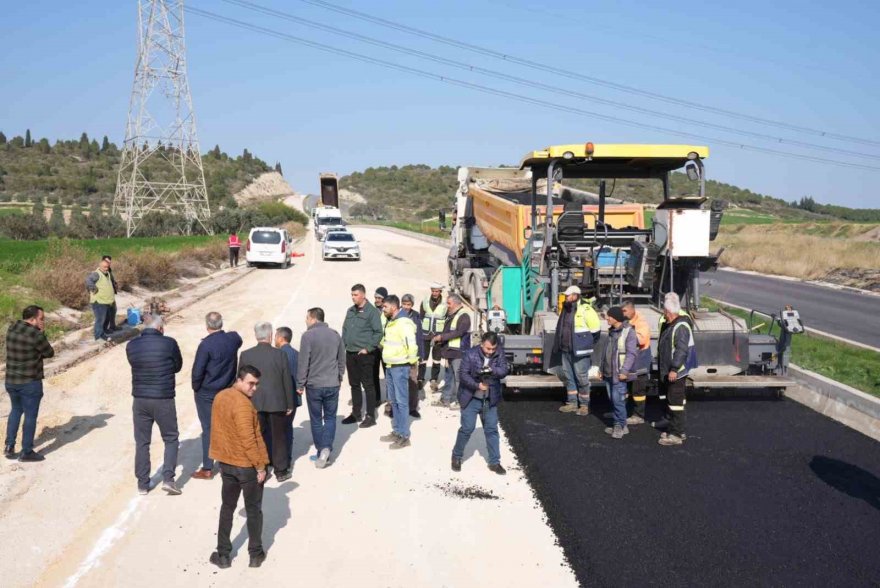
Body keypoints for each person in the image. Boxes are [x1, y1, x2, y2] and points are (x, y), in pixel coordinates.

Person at [208, 365, 270, 570]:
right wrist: (260, 467)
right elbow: (249, 440)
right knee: (253, 510)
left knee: (227, 508)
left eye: (257, 384)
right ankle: (255, 554)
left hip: (226, 464)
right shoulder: (243, 405)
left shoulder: (220, 396)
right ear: (240, 380)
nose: (254, 388)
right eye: (251, 383)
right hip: (246, 467)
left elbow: (218, 430)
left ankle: (223, 555)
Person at [126, 315, 183, 495]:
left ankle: (143, 484)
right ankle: (168, 479)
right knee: (171, 438)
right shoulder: (169, 343)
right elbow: (177, 366)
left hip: (140, 399)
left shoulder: (132, 345)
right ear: (160, 328)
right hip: (163, 397)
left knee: (142, 442)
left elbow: (134, 364)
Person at [191, 312, 243, 480]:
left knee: (208, 428)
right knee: (226, 425)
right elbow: (238, 338)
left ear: (207, 326)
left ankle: (207, 468)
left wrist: (196, 388)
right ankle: (226, 463)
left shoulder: (206, 345)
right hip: (227, 389)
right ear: (221, 324)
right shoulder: (233, 339)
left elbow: (197, 371)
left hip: (207, 392)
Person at [240, 322, 294, 482]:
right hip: (277, 401)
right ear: (270, 336)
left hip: (254, 401)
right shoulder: (280, 354)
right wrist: (289, 403)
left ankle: (261, 467)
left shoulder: (246, 355)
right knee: (279, 436)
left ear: (256, 335)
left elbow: (241, 380)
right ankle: (281, 470)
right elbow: (286, 379)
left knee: (257, 436)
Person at [452, 332, 509, 474]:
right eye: (487, 349)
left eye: (493, 349)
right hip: (471, 398)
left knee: (491, 430)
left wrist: (492, 370)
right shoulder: (470, 354)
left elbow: (504, 370)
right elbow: (462, 375)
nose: (490, 352)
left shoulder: (499, 353)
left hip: (490, 399)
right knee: (467, 428)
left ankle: (494, 462)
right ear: (482, 344)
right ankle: (456, 456)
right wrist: (477, 385)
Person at [296, 308, 346, 469]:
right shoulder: (335, 334)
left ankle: (321, 451)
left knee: (316, 419)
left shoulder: (307, 336)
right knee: (330, 418)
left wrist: (300, 384)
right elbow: (341, 359)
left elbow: (303, 362)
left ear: (313, 319)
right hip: (332, 383)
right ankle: (326, 449)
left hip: (314, 385)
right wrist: (339, 376)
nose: (305, 321)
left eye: (307, 318)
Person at [4, 305, 55, 462]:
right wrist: (42, 333)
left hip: (11, 380)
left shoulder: (12, 328)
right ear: (33, 319)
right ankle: (26, 452)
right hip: (30, 382)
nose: (43, 322)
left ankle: (9, 446)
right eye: (41, 319)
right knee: (30, 416)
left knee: (15, 411)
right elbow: (49, 352)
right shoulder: (36, 335)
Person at [378, 295, 419, 449]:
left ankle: (404, 436)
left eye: (385, 307)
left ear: (394, 307)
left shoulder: (404, 323)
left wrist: (409, 362)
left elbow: (411, 344)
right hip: (390, 366)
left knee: (401, 402)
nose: (383, 309)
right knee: (393, 400)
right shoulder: (392, 322)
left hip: (400, 367)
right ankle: (397, 430)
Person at [553, 285, 601, 415]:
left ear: (575, 295)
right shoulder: (566, 308)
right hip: (566, 349)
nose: (566, 297)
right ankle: (572, 403)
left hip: (580, 351)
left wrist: (585, 345)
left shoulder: (586, 309)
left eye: (568, 295)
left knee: (581, 377)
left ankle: (584, 405)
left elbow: (596, 332)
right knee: (569, 377)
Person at [657, 293, 697, 447]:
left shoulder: (680, 326)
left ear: (670, 312)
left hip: (677, 372)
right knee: (674, 401)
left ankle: (676, 434)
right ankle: (675, 429)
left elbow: (681, 351)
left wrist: (674, 369)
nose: (663, 315)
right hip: (674, 370)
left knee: (676, 402)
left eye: (665, 312)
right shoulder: (675, 324)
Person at [341, 283, 383, 428]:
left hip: (365, 354)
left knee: (368, 385)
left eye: (355, 295)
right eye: (352, 295)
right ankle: (356, 413)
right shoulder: (350, 311)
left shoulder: (372, 312)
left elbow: (379, 332)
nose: (353, 297)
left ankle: (370, 416)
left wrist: (368, 348)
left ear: (363, 295)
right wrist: (344, 344)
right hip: (351, 353)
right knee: (354, 385)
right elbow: (345, 329)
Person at [600, 307, 639, 439]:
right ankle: (623, 425)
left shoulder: (629, 332)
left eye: (609, 316)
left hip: (619, 374)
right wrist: (601, 369)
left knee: (618, 401)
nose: (607, 318)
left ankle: (619, 426)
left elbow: (631, 354)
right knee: (614, 399)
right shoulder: (612, 331)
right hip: (608, 372)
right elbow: (606, 352)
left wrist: (624, 371)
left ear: (615, 318)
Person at [432, 293, 471, 409]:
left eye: (449, 303)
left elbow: (459, 332)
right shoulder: (451, 315)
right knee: (449, 376)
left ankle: (461, 402)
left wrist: (442, 337)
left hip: (459, 352)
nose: (447, 306)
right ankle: (445, 399)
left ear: (455, 303)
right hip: (450, 352)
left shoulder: (464, 316)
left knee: (459, 378)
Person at [621, 300, 652, 425]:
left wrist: (626, 336)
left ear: (632, 309)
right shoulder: (626, 320)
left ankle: (639, 415)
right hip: (630, 361)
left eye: (624, 311)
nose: (622, 313)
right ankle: (622, 413)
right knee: (626, 388)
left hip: (640, 361)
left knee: (638, 389)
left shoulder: (641, 322)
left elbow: (641, 339)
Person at [274, 326, 301, 458]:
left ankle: (283, 458)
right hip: (295, 397)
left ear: (280, 338)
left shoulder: (279, 354)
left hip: (283, 398)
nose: (274, 340)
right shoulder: (297, 353)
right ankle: (288, 456)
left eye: (275, 337)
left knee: (280, 430)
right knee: (288, 427)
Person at [400, 294, 425, 418]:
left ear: (412, 305)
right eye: (404, 304)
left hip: (412, 355)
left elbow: (419, 336)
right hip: (398, 355)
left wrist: (421, 354)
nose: (406, 307)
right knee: (398, 382)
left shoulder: (416, 316)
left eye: (408, 305)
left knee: (413, 382)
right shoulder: (396, 315)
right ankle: (395, 407)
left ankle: (412, 408)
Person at [418, 283, 446, 392]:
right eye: (433, 291)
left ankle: (434, 379)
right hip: (425, 334)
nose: (434, 293)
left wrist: (443, 335)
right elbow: (421, 317)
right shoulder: (425, 301)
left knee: (437, 359)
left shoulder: (445, 304)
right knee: (423, 359)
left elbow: (446, 318)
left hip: (438, 335)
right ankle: (420, 378)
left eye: (437, 291)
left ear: (440, 292)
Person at [85, 256, 117, 341]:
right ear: (100, 266)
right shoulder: (96, 274)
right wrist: (94, 288)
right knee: (100, 319)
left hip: (107, 301)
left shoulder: (108, 273)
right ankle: (98, 336)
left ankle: (104, 331)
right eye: (104, 267)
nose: (106, 268)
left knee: (107, 318)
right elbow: (88, 281)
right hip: (99, 302)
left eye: (107, 267)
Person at [373, 286, 389, 414]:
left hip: (385, 348)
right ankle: (376, 398)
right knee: (374, 374)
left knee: (388, 375)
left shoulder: (387, 312)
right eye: (376, 297)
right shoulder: (372, 311)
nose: (377, 300)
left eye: (380, 298)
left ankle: (390, 401)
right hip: (374, 348)